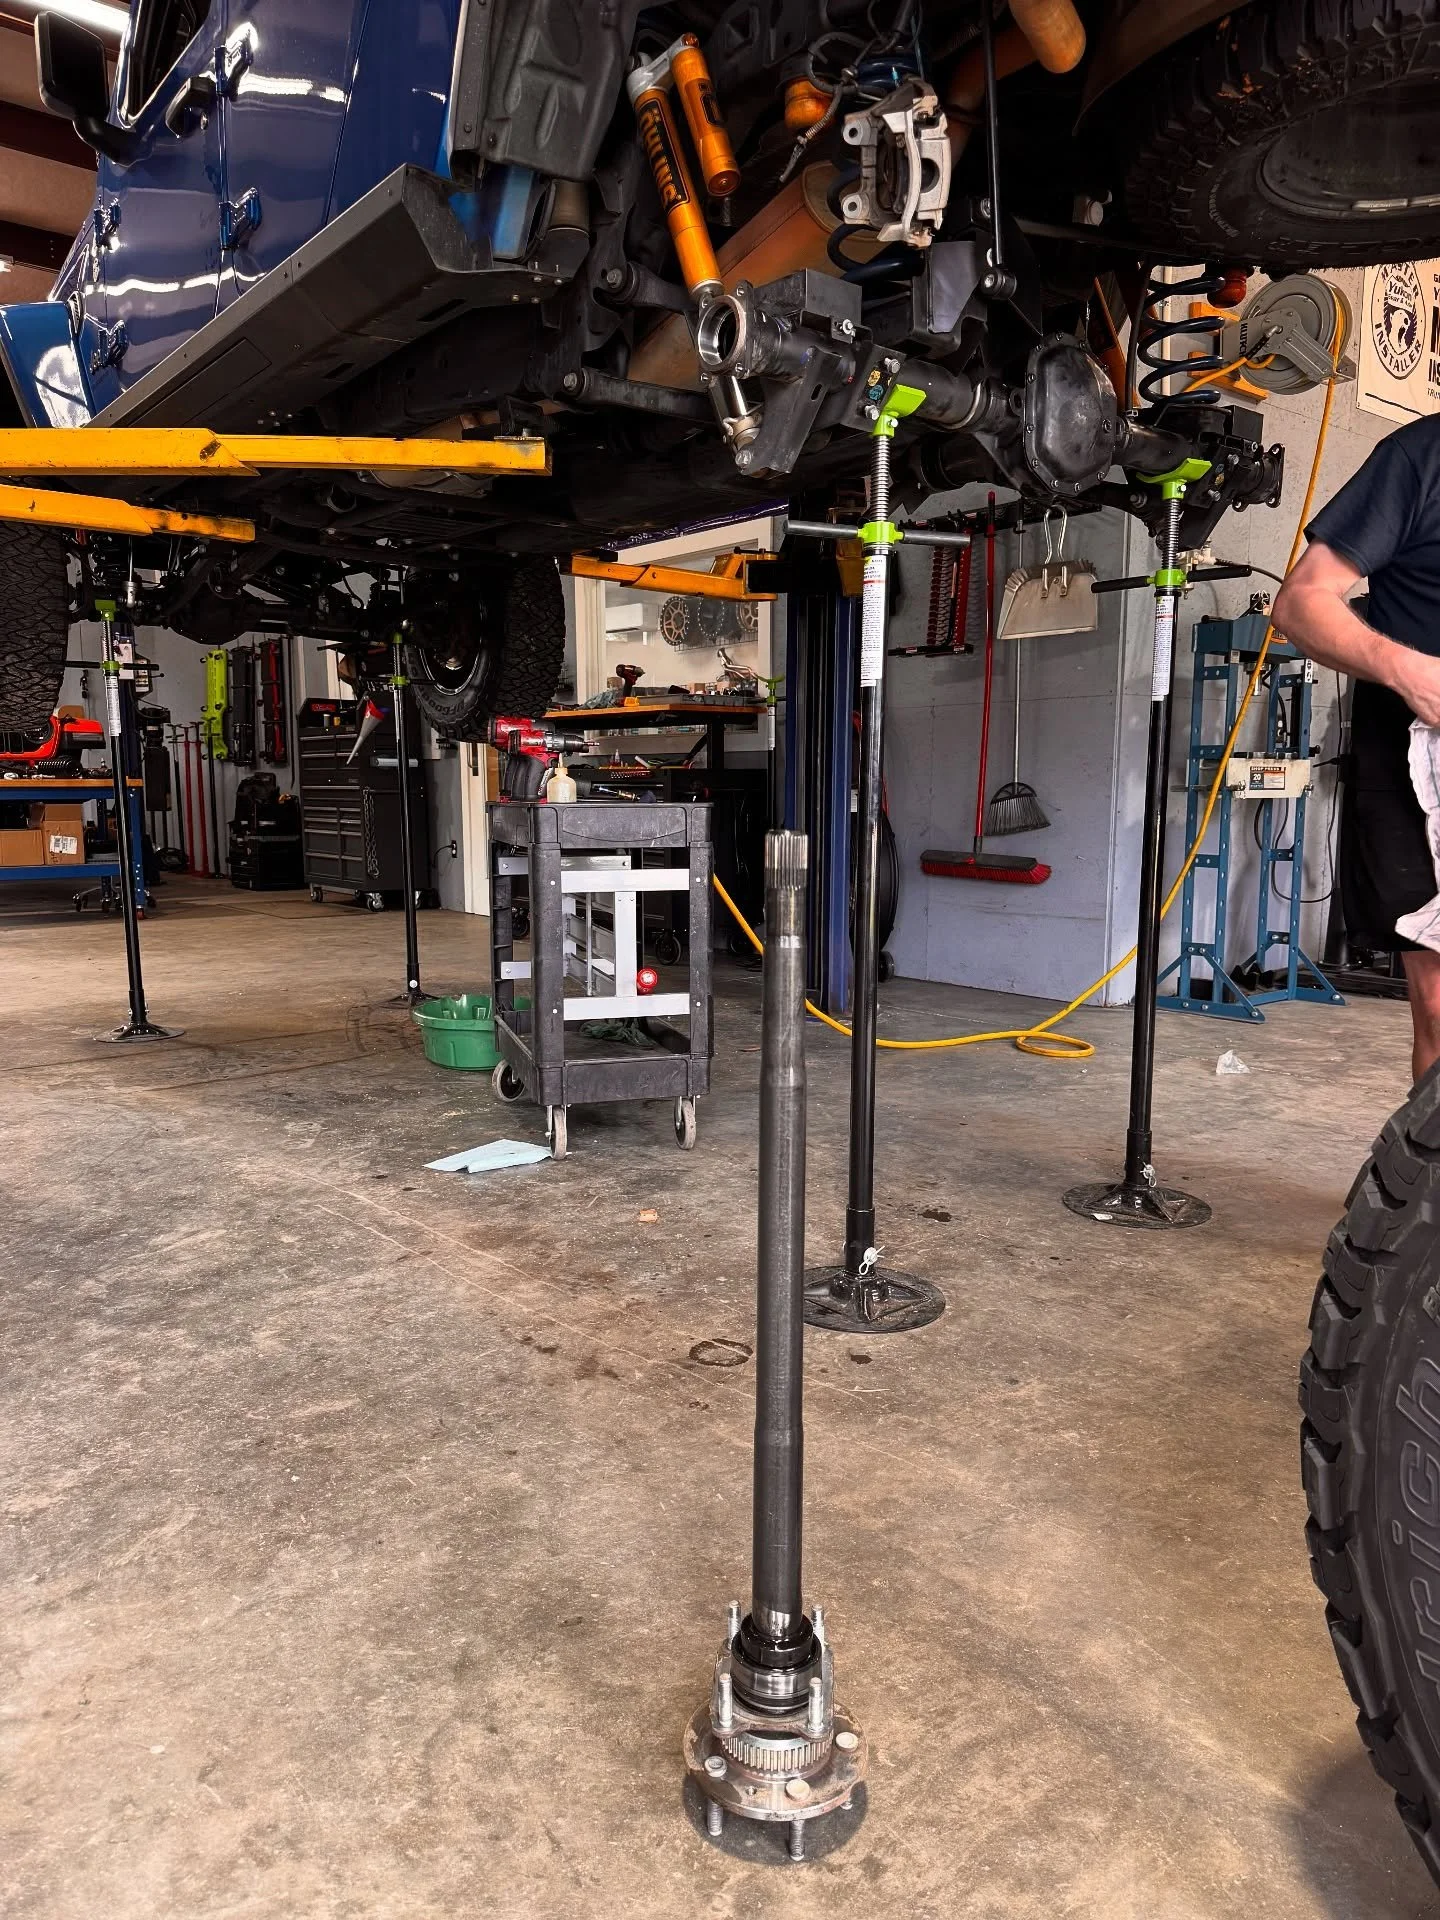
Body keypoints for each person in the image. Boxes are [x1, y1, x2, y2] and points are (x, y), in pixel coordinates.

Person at [1273, 412, 1440, 1083]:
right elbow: (1302, 601)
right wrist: (1409, 671)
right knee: (1437, 1006)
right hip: (1415, 758)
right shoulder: (1417, 459)